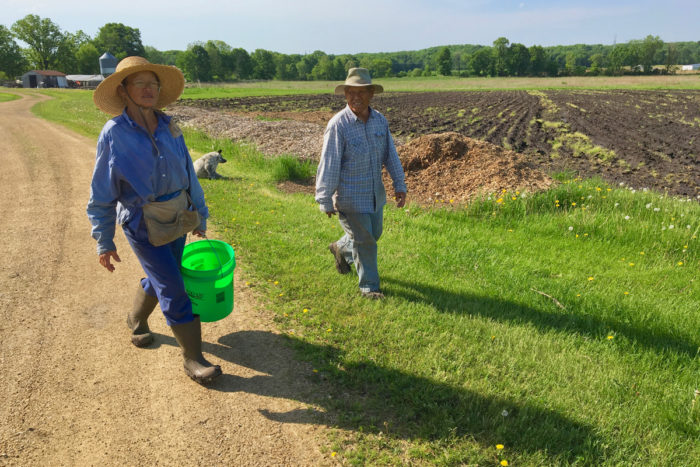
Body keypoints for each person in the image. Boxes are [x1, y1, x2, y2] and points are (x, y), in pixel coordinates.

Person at [87, 56, 221, 384]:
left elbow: (189, 173)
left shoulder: (169, 125)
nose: (148, 90)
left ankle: (135, 319)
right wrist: (104, 239)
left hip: (177, 215)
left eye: (153, 84)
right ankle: (193, 358)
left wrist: (199, 214)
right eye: (140, 83)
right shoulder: (114, 134)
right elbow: (102, 193)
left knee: (164, 276)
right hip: (142, 221)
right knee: (173, 287)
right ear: (123, 90)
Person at [315, 68, 407, 299]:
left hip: (374, 194)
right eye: (351, 93)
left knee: (374, 233)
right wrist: (324, 198)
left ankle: (340, 248)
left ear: (371, 94)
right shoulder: (338, 125)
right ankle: (369, 287)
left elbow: (391, 155)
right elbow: (330, 162)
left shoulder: (379, 121)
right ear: (345, 95)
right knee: (365, 240)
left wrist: (399, 185)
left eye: (361, 92)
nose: (356, 97)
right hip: (350, 198)